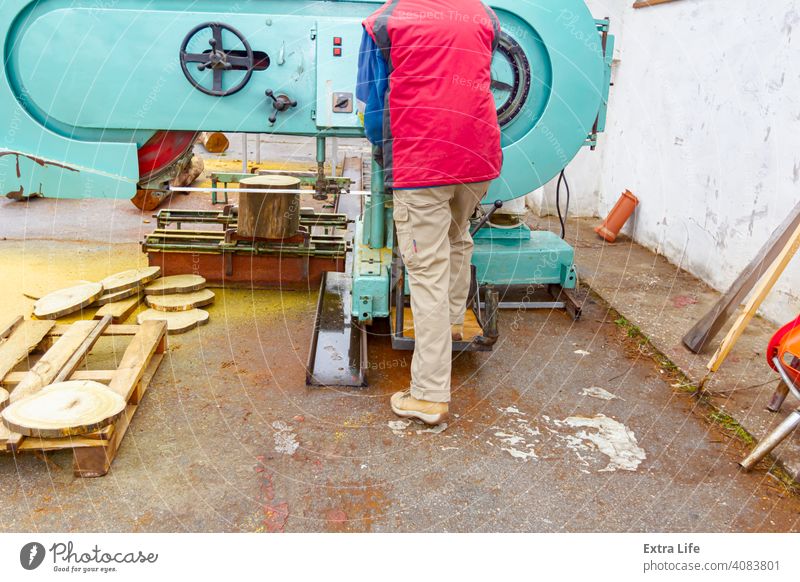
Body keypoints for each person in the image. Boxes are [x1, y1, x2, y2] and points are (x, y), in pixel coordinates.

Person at [356, 0, 503, 425]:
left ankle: (429, 394)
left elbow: (372, 104)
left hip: (423, 163)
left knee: (426, 272)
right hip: (476, 158)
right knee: (458, 239)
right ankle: (453, 326)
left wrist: (384, 152)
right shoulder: (482, 14)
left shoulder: (383, 22)